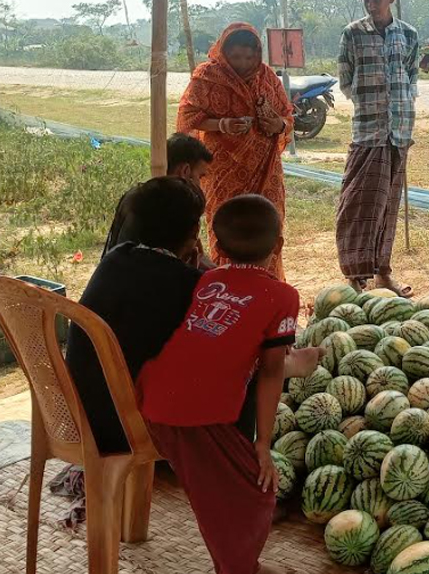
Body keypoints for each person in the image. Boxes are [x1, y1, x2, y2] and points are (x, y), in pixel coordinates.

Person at [137, 194, 300, 574]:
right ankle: (239, 568)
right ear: (278, 245)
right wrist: (262, 444)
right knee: (254, 494)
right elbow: (273, 372)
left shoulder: (209, 280)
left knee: (219, 491)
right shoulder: (283, 296)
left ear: (218, 247)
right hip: (197, 413)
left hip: (152, 396)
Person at [67, 176, 208, 456]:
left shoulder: (116, 258)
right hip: (126, 429)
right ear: (193, 233)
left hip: (78, 414)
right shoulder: (186, 284)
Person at [176, 23, 293, 280]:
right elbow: (188, 116)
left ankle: (268, 284)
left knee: (267, 225)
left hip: (266, 167)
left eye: (249, 57)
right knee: (227, 226)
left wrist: (278, 124)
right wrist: (222, 124)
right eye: (236, 57)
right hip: (223, 168)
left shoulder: (266, 77)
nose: (243, 64)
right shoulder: (207, 76)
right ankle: (227, 285)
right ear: (223, 52)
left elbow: (287, 116)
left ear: (258, 53)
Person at [336, 0, 419, 295]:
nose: (371, 5)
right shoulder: (352, 34)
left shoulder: (409, 35)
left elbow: (411, 76)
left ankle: (383, 272)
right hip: (368, 132)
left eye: (377, 0)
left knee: (387, 206)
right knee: (357, 204)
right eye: (367, 1)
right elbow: (346, 79)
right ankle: (357, 275)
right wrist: (369, 102)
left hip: (399, 133)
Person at [105, 132, 215, 269]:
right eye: (200, 176)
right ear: (185, 171)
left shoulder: (142, 195)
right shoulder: (168, 206)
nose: (200, 184)